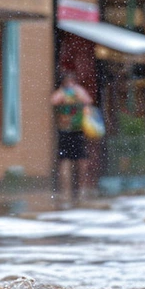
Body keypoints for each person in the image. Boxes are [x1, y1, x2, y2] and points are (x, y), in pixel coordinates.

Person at [50, 71, 93, 201]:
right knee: (67, 161)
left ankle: (78, 190)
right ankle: (69, 191)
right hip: (67, 130)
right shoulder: (65, 92)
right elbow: (54, 101)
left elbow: (87, 101)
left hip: (75, 130)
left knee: (78, 161)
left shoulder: (71, 92)